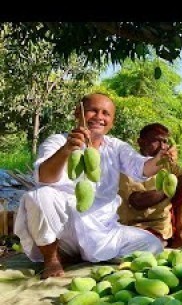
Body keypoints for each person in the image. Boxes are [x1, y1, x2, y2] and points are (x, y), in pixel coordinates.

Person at [14, 93, 166, 279]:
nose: (99, 117)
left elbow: (141, 168)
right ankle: (52, 259)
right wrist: (67, 150)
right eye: (93, 111)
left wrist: (160, 160)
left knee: (153, 246)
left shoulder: (116, 147)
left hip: (102, 230)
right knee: (39, 196)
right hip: (65, 231)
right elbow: (43, 177)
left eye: (106, 113)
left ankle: (79, 256)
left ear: (112, 121)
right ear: (78, 112)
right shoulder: (58, 141)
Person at [117, 123, 182, 249]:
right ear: (141, 142)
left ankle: (181, 236)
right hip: (139, 226)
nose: (162, 147)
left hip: (163, 225)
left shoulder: (166, 164)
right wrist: (174, 186)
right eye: (156, 141)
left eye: (165, 142)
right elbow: (137, 201)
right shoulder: (130, 165)